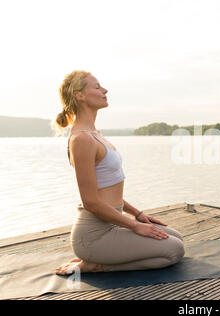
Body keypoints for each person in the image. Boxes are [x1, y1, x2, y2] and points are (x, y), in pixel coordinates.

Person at [53, 70, 185, 275]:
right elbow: (91, 202)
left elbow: (108, 190)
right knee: (173, 251)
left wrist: (139, 215)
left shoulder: (95, 134)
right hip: (94, 234)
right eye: (97, 87)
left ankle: (98, 258)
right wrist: (134, 226)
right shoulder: (81, 140)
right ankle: (92, 265)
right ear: (80, 95)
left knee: (176, 237)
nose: (104, 90)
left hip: (113, 222)